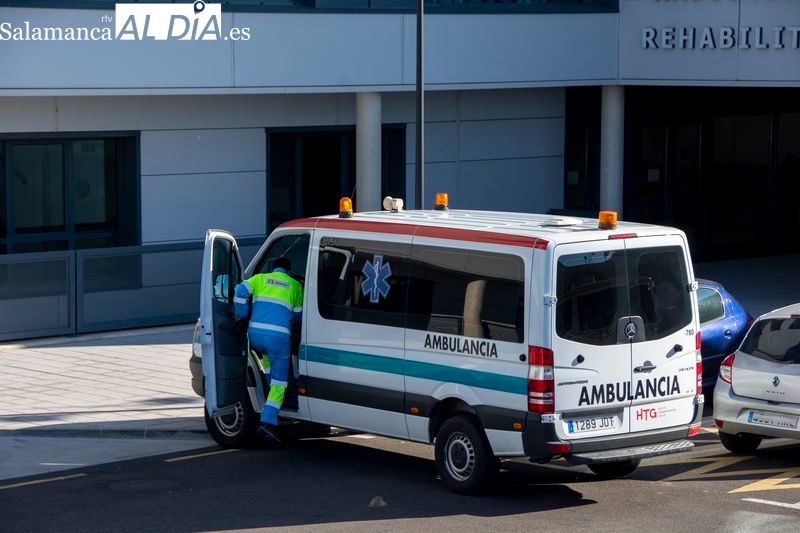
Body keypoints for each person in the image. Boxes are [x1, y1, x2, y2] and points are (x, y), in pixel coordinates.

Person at [234, 256, 303, 443]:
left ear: (273, 269)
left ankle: (266, 391)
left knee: (269, 365)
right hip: (278, 338)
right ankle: (268, 422)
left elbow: (240, 290)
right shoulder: (295, 285)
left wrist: (241, 314)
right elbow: (298, 317)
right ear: (287, 271)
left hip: (255, 336)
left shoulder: (260, 279)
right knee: (280, 382)